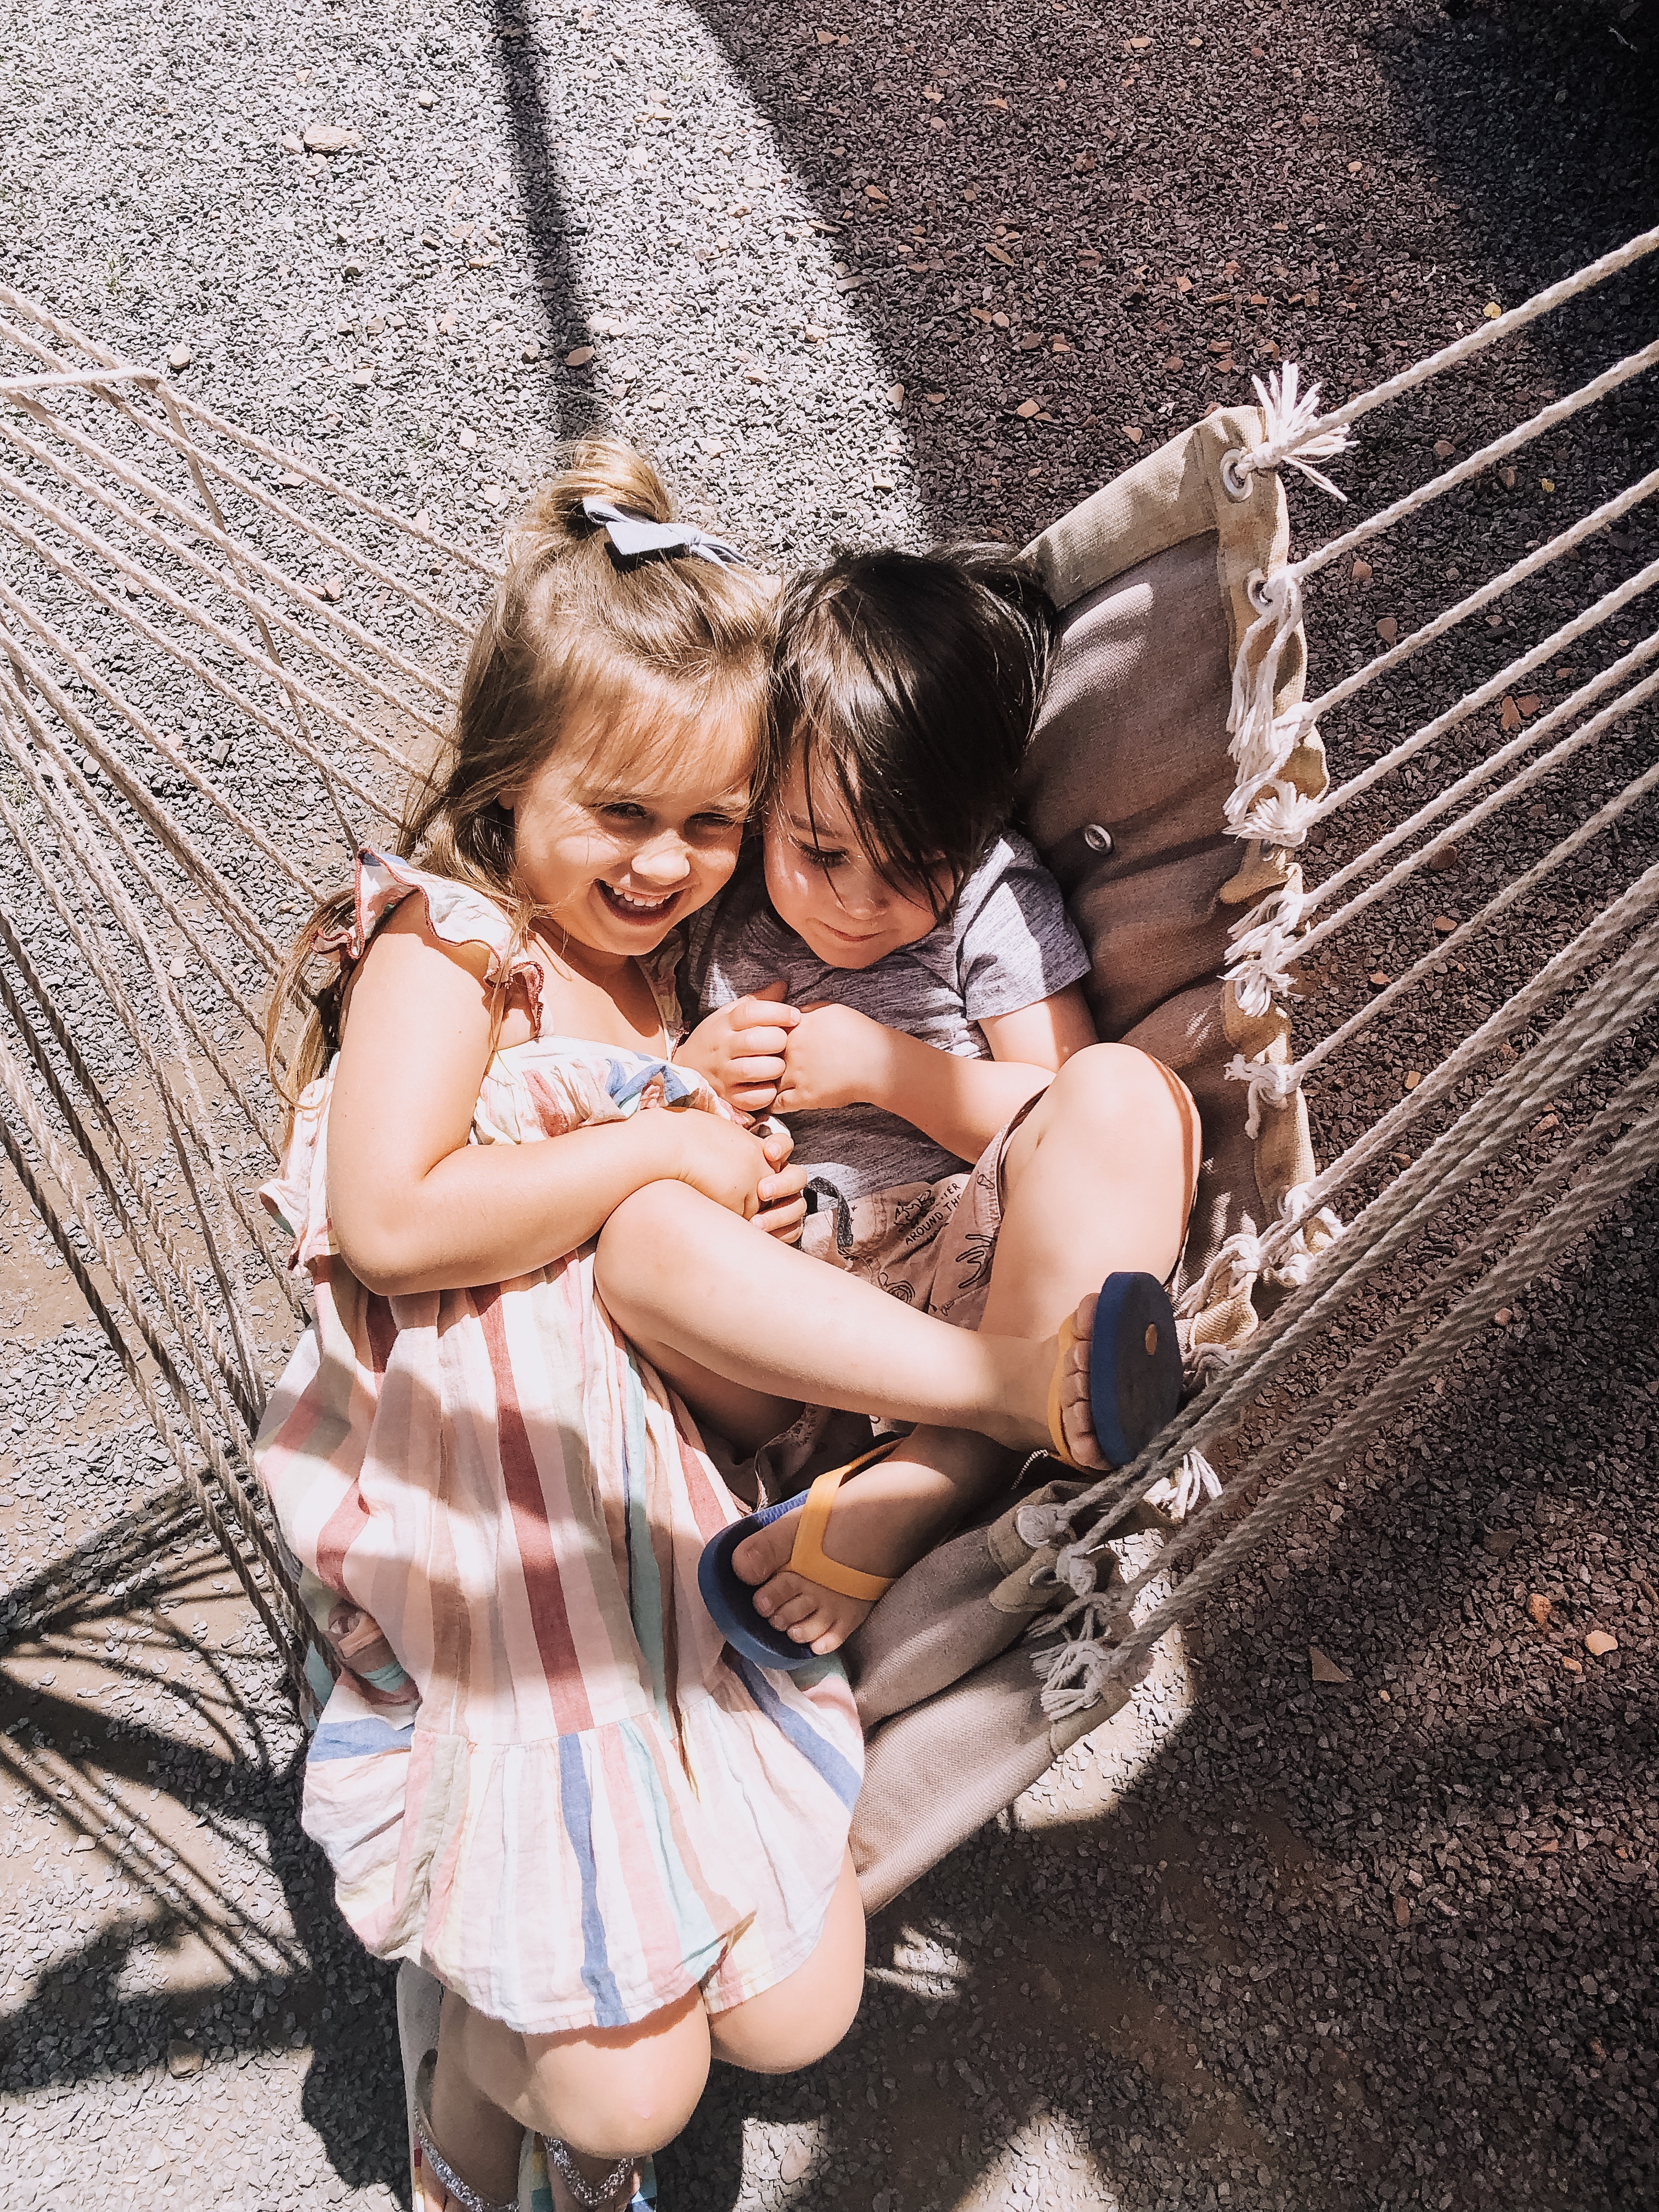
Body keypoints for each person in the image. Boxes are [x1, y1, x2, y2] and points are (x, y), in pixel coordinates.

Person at [255, 447, 1124, 2212]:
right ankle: (475, 2131)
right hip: (499, 1537)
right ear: (512, 786)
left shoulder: (683, 965)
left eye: (710, 824)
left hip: (668, 1514)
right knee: (632, 2100)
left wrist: (763, 1164)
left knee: (797, 2013)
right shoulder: (455, 944)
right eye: (621, 816)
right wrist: (663, 1144)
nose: (669, 865)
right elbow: (390, 1223)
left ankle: (526, 2066)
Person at [676, 544, 1201, 1661]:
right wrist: (696, 1074)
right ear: (768, 793)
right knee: (644, 1240)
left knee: (1125, 1092)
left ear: (973, 832)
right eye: (820, 853)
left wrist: (889, 1071)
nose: (862, 907)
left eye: (916, 865)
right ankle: (969, 1435)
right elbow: (647, 1106)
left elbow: (1056, 1110)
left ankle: (946, 1457)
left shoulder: (990, 902)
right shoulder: (715, 904)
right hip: (799, 1307)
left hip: (980, 1270)